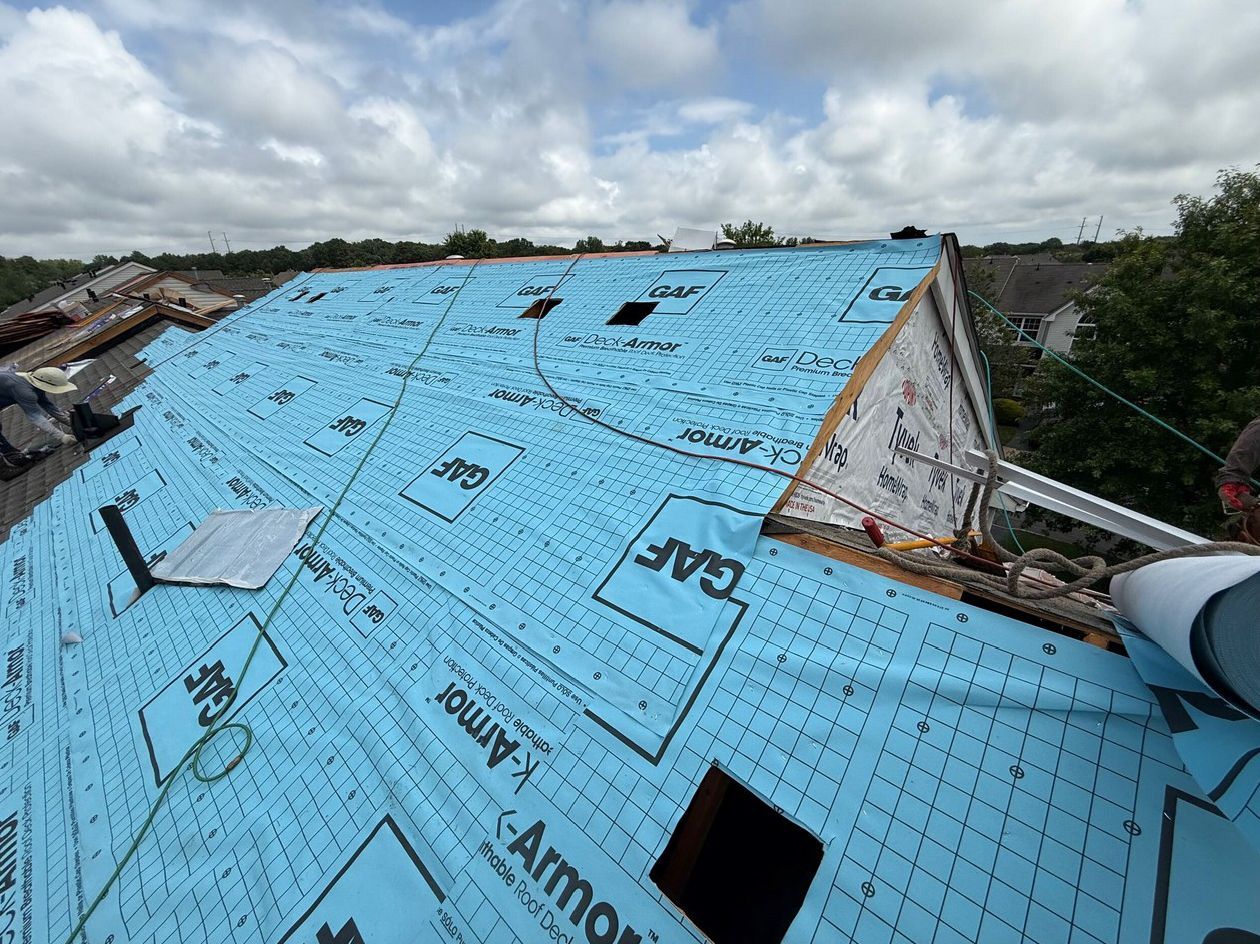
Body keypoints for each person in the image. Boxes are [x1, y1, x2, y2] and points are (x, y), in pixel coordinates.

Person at [0, 367, 78, 458]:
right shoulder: (24, 391)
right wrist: (61, 436)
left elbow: (48, 406)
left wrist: (72, 423)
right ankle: (12, 459)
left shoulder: (33, 382)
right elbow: (35, 416)